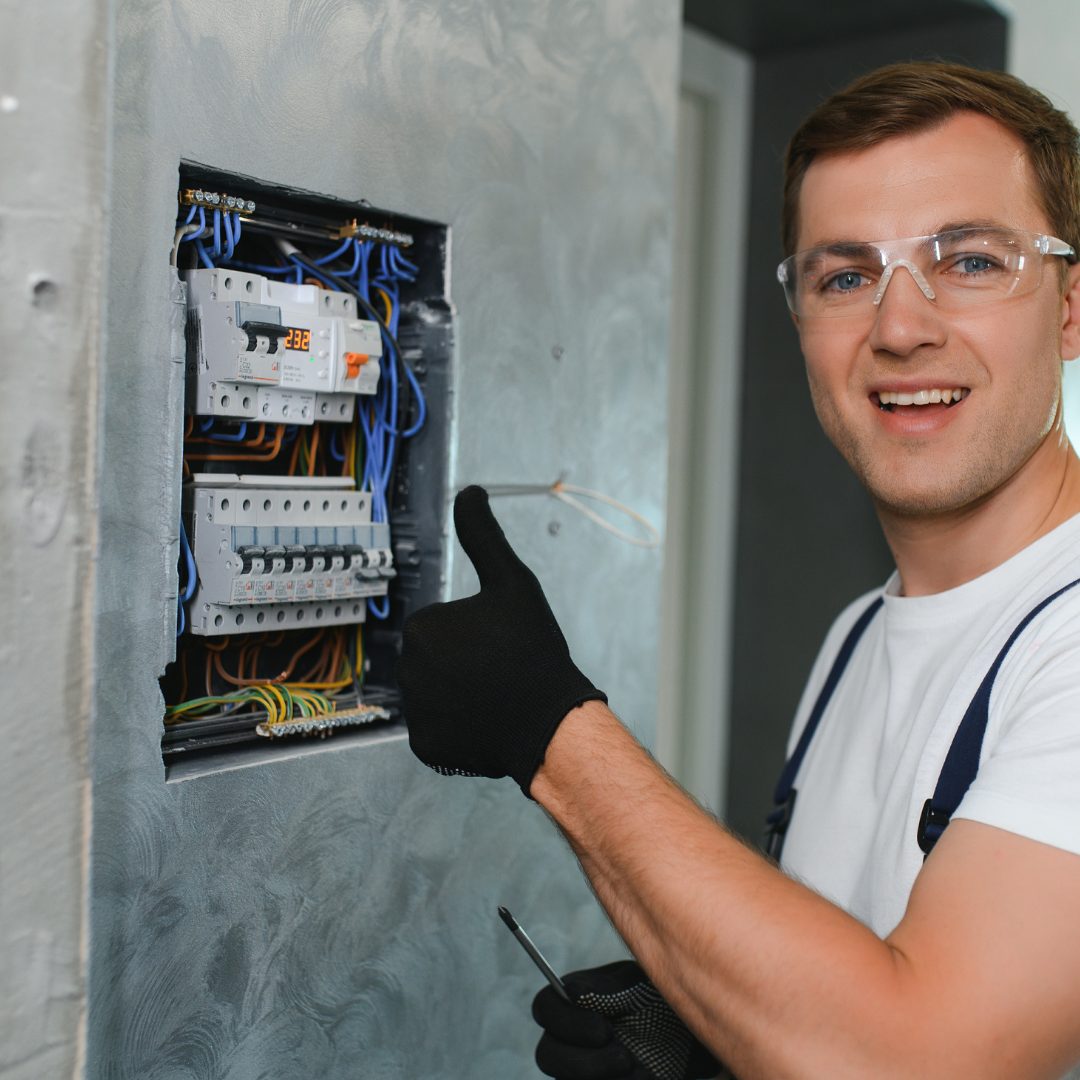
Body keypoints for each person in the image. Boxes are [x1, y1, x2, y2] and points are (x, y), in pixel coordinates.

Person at [396, 61, 1080, 1079]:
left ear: (1071, 307)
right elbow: (855, 996)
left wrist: (553, 733)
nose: (899, 328)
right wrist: (717, 1034)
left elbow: (918, 1058)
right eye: (845, 276)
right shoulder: (861, 632)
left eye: (971, 262)